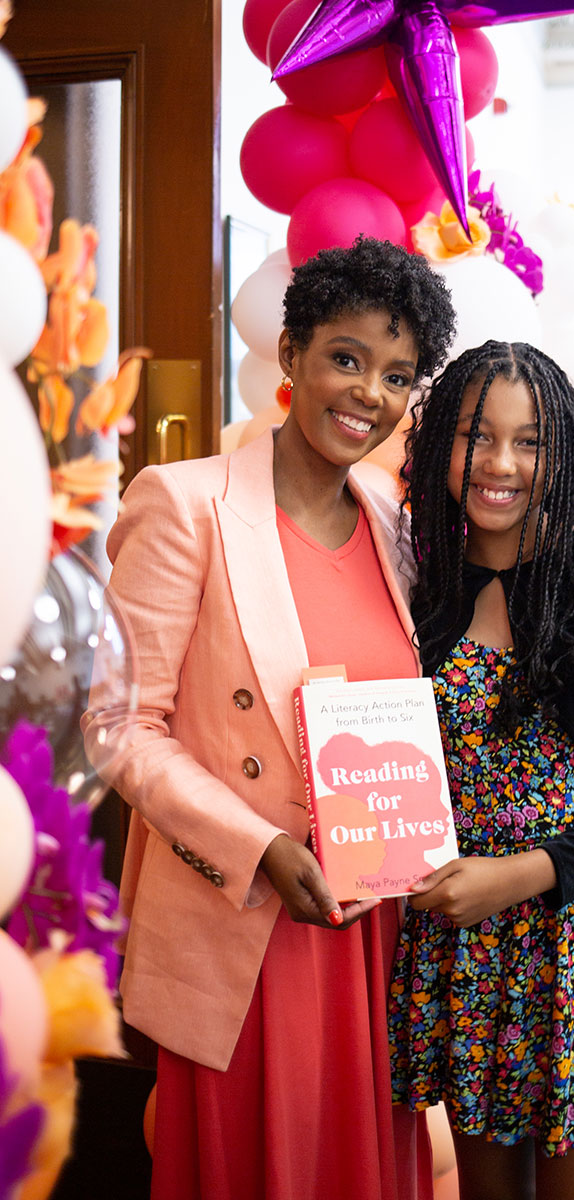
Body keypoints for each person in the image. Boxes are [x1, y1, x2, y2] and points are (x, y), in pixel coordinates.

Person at [84, 237, 456, 1200]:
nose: (368, 393)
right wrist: (259, 849)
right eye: (346, 357)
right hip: (247, 917)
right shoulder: (185, 504)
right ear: (289, 355)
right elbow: (120, 724)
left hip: (377, 928)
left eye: (397, 374)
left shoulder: (393, 517)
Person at [387, 341, 574, 1200]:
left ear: (561, 454)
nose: (500, 465)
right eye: (477, 436)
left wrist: (519, 877)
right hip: (464, 943)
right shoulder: (421, 574)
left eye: (529, 442)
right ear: (442, 438)